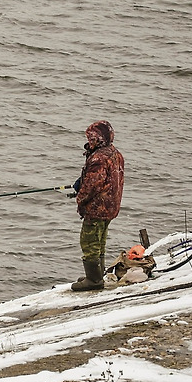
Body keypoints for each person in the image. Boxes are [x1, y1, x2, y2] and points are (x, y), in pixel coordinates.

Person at [71, 120, 125, 292]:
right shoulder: (114, 153)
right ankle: (96, 275)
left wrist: (80, 198)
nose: (89, 140)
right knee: (100, 240)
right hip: (110, 206)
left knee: (89, 242)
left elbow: (92, 186)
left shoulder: (99, 158)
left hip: (97, 207)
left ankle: (94, 280)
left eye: (92, 137)